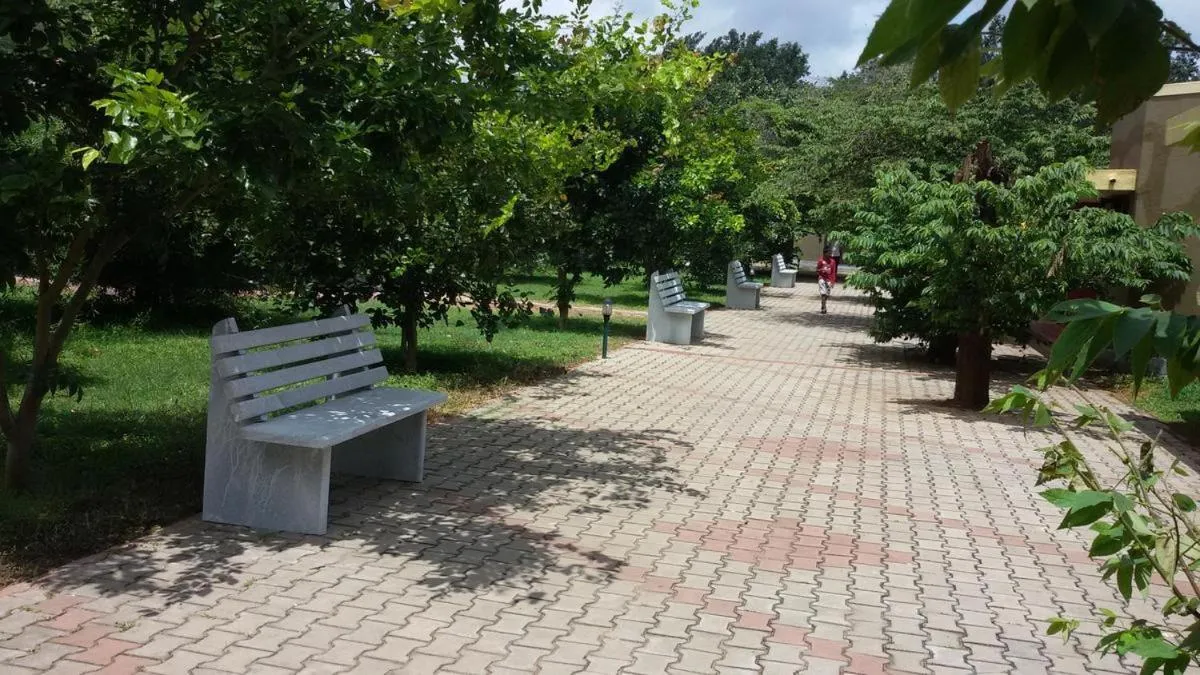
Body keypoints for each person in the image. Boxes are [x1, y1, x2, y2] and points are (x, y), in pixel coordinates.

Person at [816, 247, 836, 314]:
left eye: (830, 252)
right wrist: (821, 270)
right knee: (823, 293)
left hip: (829, 280)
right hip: (822, 278)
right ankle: (824, 308)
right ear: (825, 253)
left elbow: (833, 272)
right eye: (829, 253)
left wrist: (833, 281)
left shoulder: (832, 262)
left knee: (827, 294)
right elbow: (817, 270)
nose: (830, 254)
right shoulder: (821, 260)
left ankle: (823, 303)